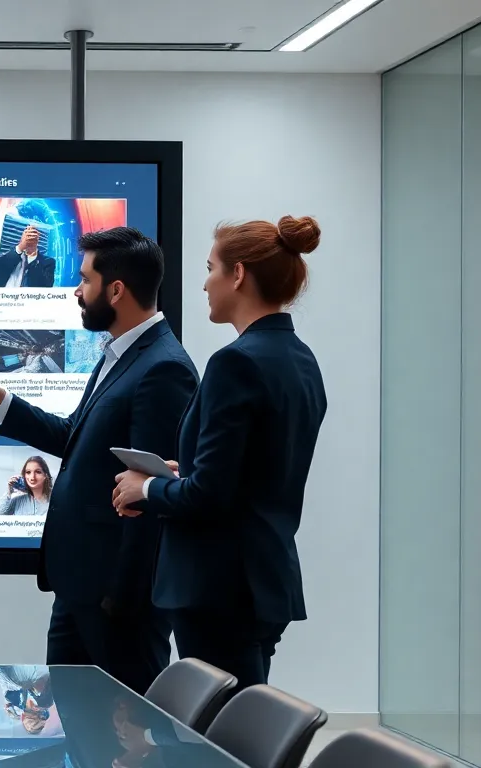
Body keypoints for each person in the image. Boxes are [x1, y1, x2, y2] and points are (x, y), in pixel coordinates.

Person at [0, 227, 198, 695]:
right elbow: (74, 438)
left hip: (115, 602)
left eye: (85, 280)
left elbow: (149, 497)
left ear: (116, 289)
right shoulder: (121, 355)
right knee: (79, 731)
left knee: (120, 739)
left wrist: (125, 602)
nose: (76, 291)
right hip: (81, 589)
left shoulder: (164, 368)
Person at [112, 216, 328, 691]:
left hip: (217, 586)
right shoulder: (300, 358)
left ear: (239, 274)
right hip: (261, 578)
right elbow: (250, 473)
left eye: (211, 268)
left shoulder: (235, 362)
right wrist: (178, 474)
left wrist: (146, 486)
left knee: (222, 743)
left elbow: (210, 495)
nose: (205, 282)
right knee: (245, 723)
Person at [0, 224, 56, 288]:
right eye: (27, 234)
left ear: (38, 239)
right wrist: (20, 247)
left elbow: (46, 287)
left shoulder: (48, 262)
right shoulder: (6, 254)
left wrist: (32, 254)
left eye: (33, 235)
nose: (30, 238)